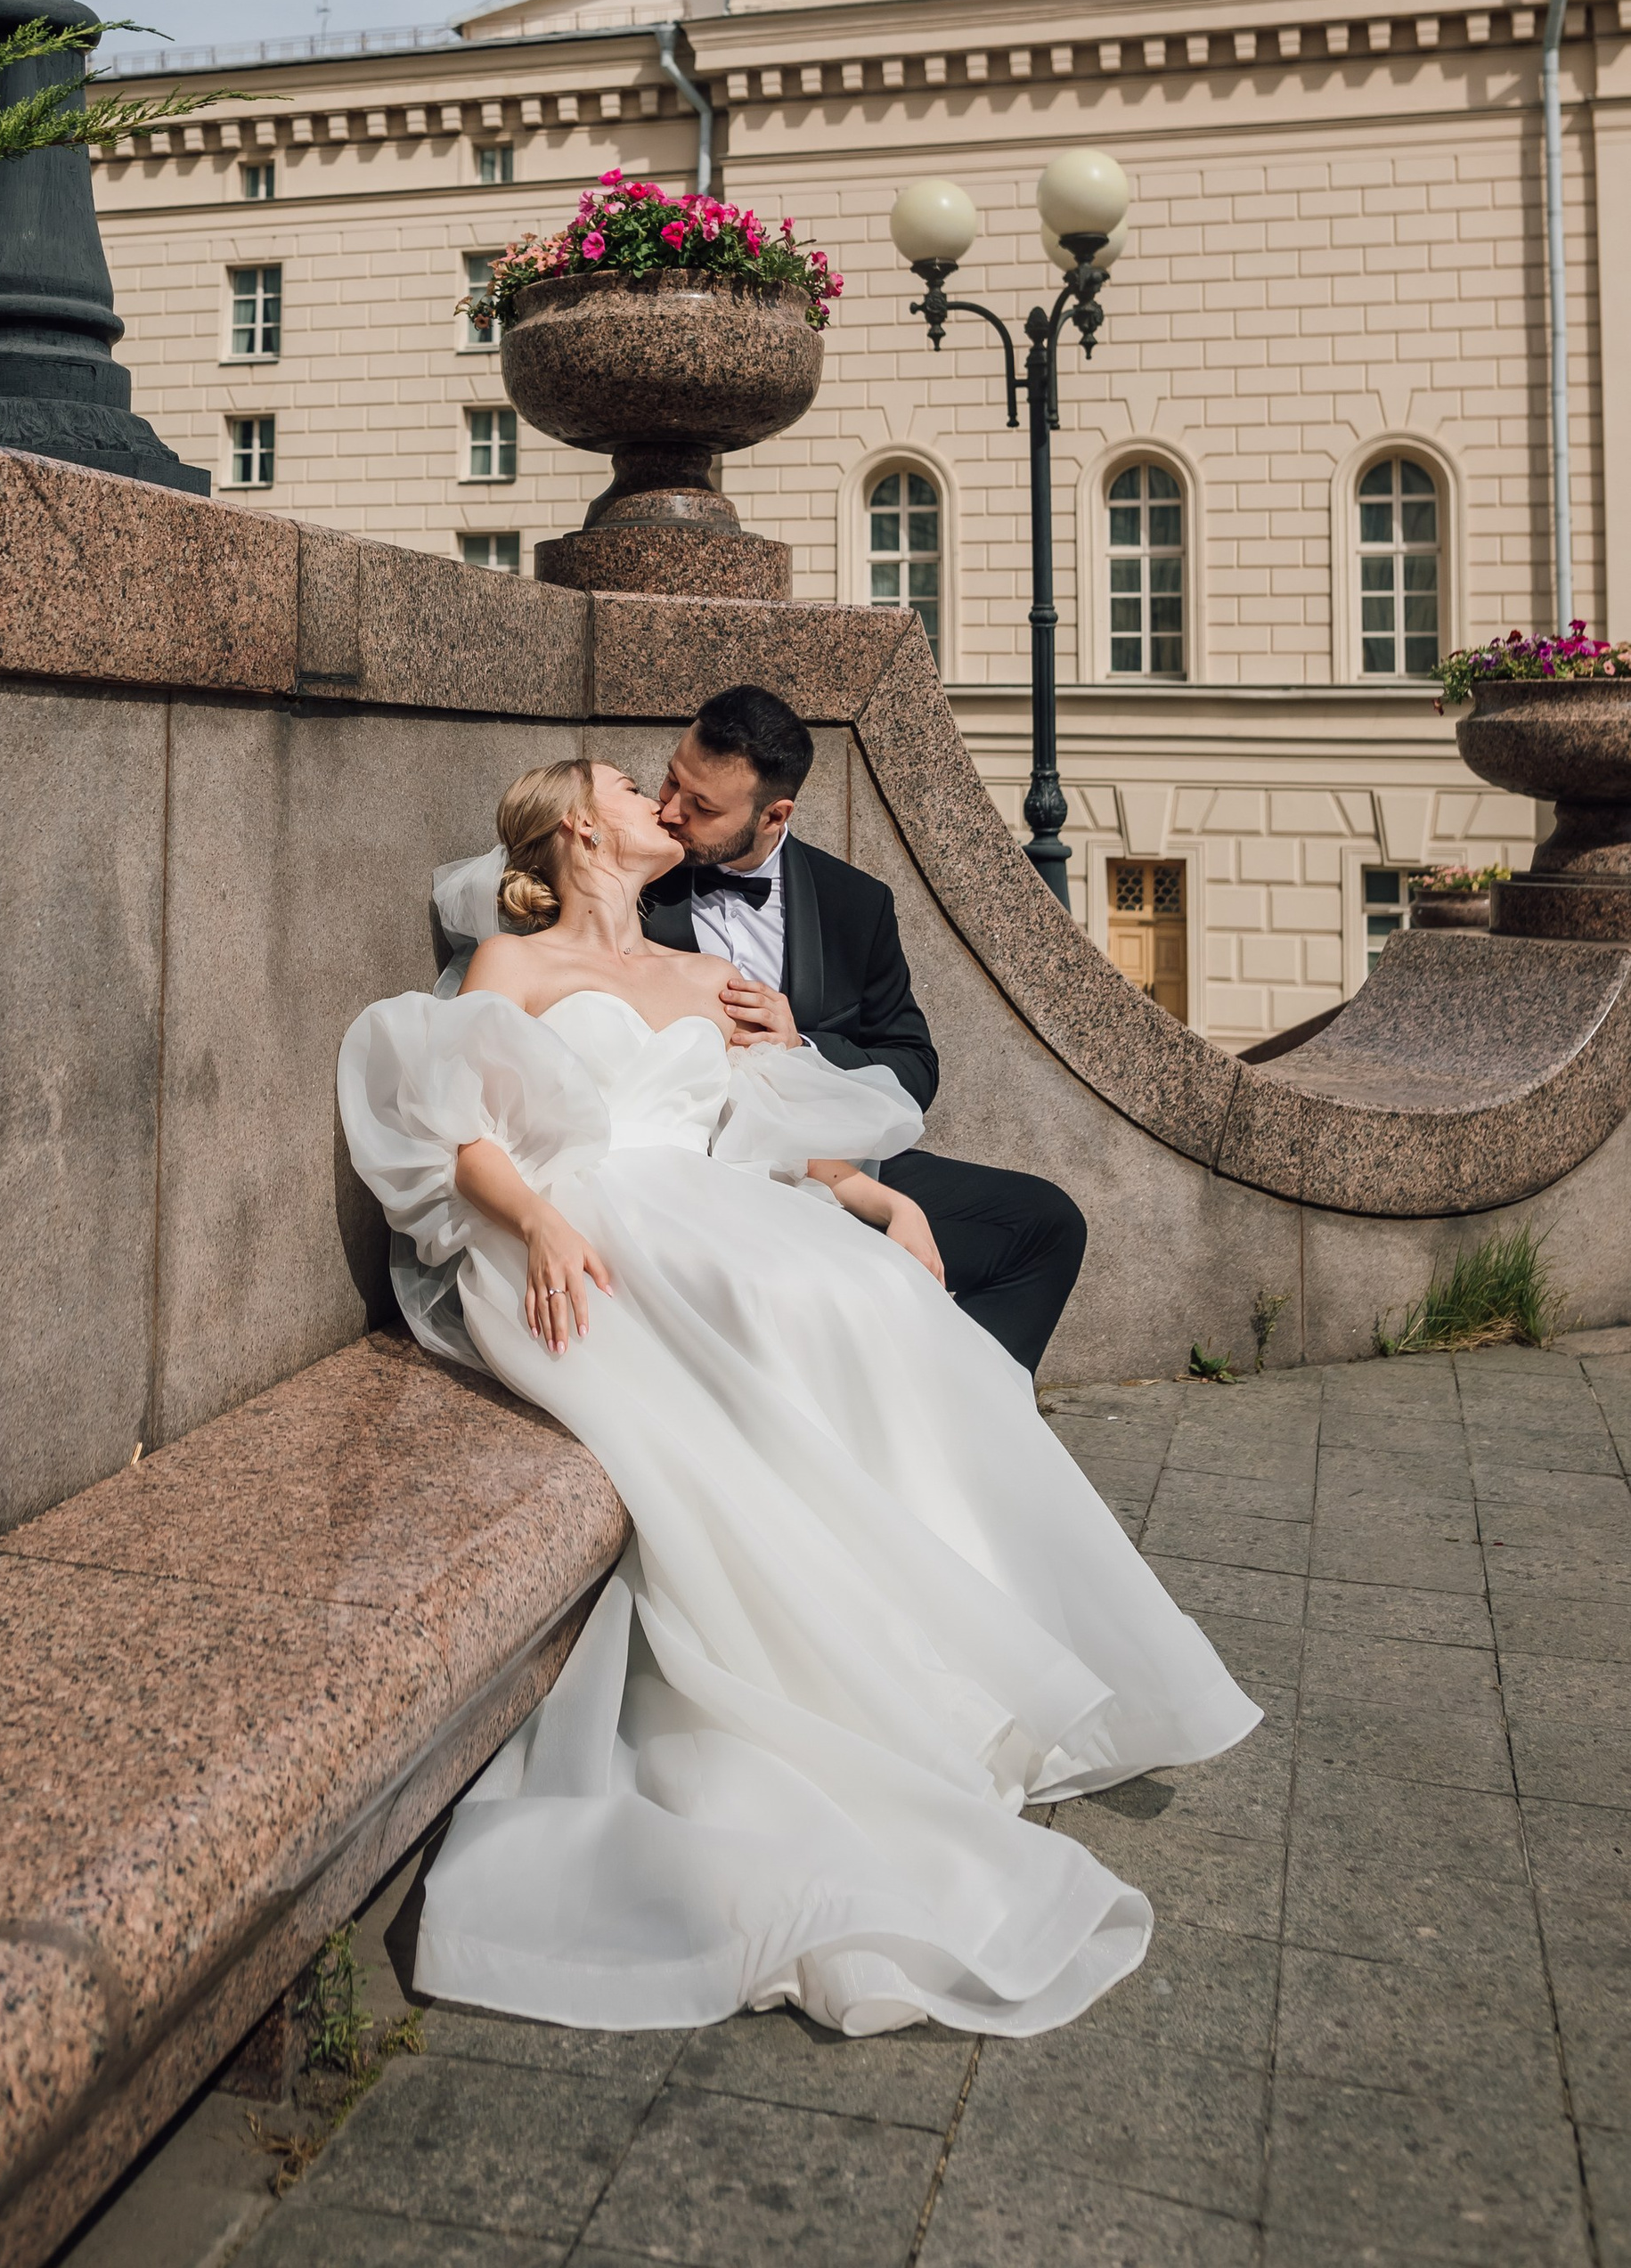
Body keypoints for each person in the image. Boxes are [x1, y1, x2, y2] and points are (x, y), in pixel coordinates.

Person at [338, 756, 1256, 2044]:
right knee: (790, 1305)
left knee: (876, 1300)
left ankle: (955, 1660)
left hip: (710, 1205)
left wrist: (872, 1194)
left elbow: (752, 1131)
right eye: (625, 782)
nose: (657, 796)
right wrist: (541, 1223)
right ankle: (873, 1677)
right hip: (593, 1222)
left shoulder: (691, 976)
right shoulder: (514, 967)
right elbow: (459, 1130)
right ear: (570, 827)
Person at [645, 682, 1086, 1375]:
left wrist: (804, 1049)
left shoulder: (858, 904)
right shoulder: (634, 873)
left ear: (774, 814)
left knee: (1046, 1224)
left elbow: (913, 1064)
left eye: (701, 807)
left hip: (833, 1163)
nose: (669, 811)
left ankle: (956, 1409)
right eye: (671, 778)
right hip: (699, 1170)